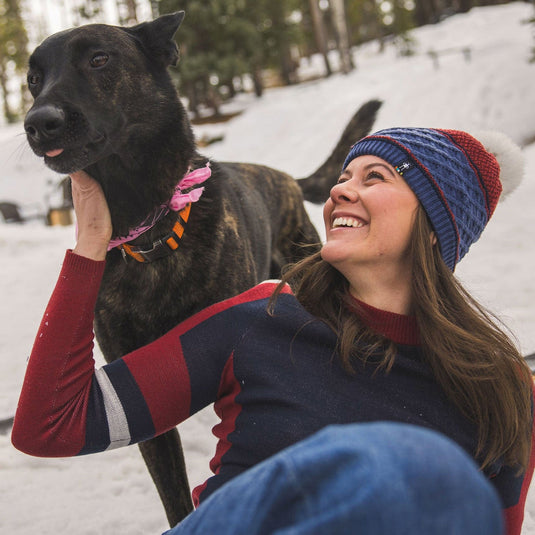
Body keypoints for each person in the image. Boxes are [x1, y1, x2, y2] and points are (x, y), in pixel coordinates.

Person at [12, 127, 534, 535]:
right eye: (344, 178)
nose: (340, 191)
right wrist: (91, 246)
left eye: (374, 178)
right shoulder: (259, 319)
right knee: (418, 464)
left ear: (437, 219)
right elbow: (51, 424)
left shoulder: (503, 390)